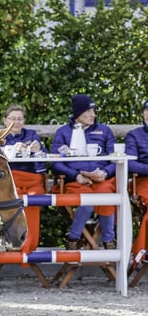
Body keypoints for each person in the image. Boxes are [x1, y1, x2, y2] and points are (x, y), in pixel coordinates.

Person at [50, 94, 117, 250]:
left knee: (106, 196)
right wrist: (76, 175)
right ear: (77, 113)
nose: (92, 115)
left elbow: (115, 159)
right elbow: (55, 163)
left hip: (102, 179)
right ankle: (73, 237)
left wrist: (105, 173)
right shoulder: (63, 132)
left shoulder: (104, 131)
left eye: (93, 111)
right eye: (88, 111)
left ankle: (109, 241)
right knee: (87, 201)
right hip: (76, 181)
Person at [2, 104, 48, 256]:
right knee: (11, 203)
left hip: (32, 180)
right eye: (13, 119)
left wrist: (38, 150)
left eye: (20, 119)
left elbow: (44, 159)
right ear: (5, 120)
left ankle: (29, 244)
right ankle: (14, 243)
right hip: (9, 182)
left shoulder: (31, 134)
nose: (17, 122)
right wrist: (12, 149)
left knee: (34, 200)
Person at [125, 100, 148, 267]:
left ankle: (143, 251)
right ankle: (142, 252)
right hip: (142, 180)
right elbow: (130, 164)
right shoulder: (134, 136)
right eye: (146, 111)